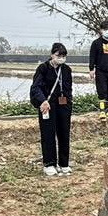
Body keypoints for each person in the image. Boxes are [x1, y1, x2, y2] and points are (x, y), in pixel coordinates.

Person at [30, 43, 74, 176]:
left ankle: (64, 163)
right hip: (47, 105)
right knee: (48, 134)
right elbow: (36, 87)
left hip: (63, 104)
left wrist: (69, 102)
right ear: (52, 55)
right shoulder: (43, 68)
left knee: (64, 133)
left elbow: (68, 87)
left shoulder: (66, 70)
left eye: (63, 56)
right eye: (58, 55)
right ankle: (49, 163)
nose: (61, 58)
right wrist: (42, 101)